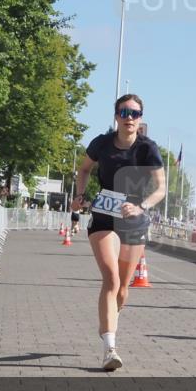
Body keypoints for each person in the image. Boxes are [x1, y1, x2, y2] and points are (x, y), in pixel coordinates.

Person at [72, 94, 165, 371]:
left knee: (123, 289)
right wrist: (79, 195)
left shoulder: (148, 148)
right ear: (116, 115)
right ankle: (109, 348)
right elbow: (84, 169)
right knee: (111, 280)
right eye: (124, 112)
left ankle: (110, 317)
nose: (129, 117)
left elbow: (161, 188)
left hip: (133, 220)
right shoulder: (101, 143)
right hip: (103, 216)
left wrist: (141, 207)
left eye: (134, 113)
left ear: (141, 118)